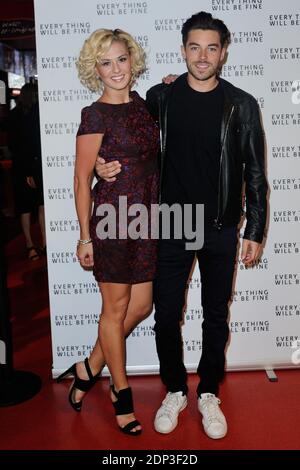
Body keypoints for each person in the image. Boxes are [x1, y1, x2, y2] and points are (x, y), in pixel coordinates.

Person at [96, 12, 268, 439]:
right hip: (172, 221)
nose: (203, 56)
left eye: (212, 48)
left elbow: (255, 173)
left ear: (224, 52)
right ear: (183, 50)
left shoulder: (242, 104)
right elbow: (124, 135)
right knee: (166, 314)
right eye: (195, 47)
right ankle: (175, 389)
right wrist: (100, 164)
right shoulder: (160, 97)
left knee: (215, 315)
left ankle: (209, 392)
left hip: (221, 224)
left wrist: (255, 230)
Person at [56, 28, 159, 436]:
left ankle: (87, 368)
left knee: (141, 306)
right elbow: (82, 180)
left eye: (121, 59)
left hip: (148, 218)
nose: (116, 69)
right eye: (106, 62)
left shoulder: (142, 104)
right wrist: (85, 237)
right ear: (94, 68)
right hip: (113, 221)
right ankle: (121, 394)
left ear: (132, 60)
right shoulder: (94, 114)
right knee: (114, 311)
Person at [7, 83, 46, 260]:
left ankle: (36, 244)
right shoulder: (32, 114)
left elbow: (13, 145)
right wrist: (29, 172)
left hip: (26, 167)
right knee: (35, 207)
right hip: (30, 167)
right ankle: (38, 244)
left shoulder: (19, 114)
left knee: (31, 208)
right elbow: (26, 144)